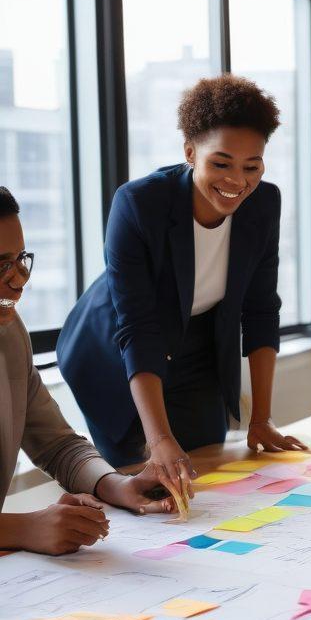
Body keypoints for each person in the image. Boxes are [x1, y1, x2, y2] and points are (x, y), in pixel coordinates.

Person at [57, 75, 306, 497]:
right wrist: (158, 440)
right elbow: (137, 326)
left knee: (208, 468)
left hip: (197, 345)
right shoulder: (139, 204)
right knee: (152, 481)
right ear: (190, 152)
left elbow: (261, 309)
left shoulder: (264, 203)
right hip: (117, 353)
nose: (237, 181)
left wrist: (261, 417)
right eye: (221, 163)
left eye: (252, 166)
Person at [0, 188, 184, 555]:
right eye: (0, 265)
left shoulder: (10, 332)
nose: (19, 279)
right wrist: (23, 528)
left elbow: (56, 443)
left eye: (21, 259)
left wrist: (117, 485)